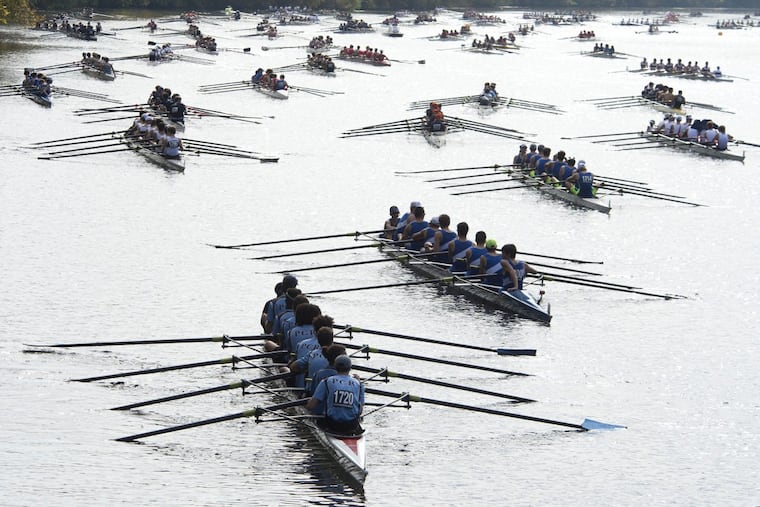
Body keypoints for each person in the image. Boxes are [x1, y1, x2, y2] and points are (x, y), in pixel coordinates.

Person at [306, 354, 364, 435]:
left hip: (332, 425)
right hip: (351, 426)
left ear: (335, 367)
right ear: (350, 368)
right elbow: (360, 411)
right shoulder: (358, 384)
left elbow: (311, 406)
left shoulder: (326, 381)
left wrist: (308, 403)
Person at [288, 325, 334, 396]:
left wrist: (306, 369)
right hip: (332, 392)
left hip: (311, 393)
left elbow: (293, 367)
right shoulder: (339, 353)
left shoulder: (312, 353)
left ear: (318, 340)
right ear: (332, 340)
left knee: (284, 369)